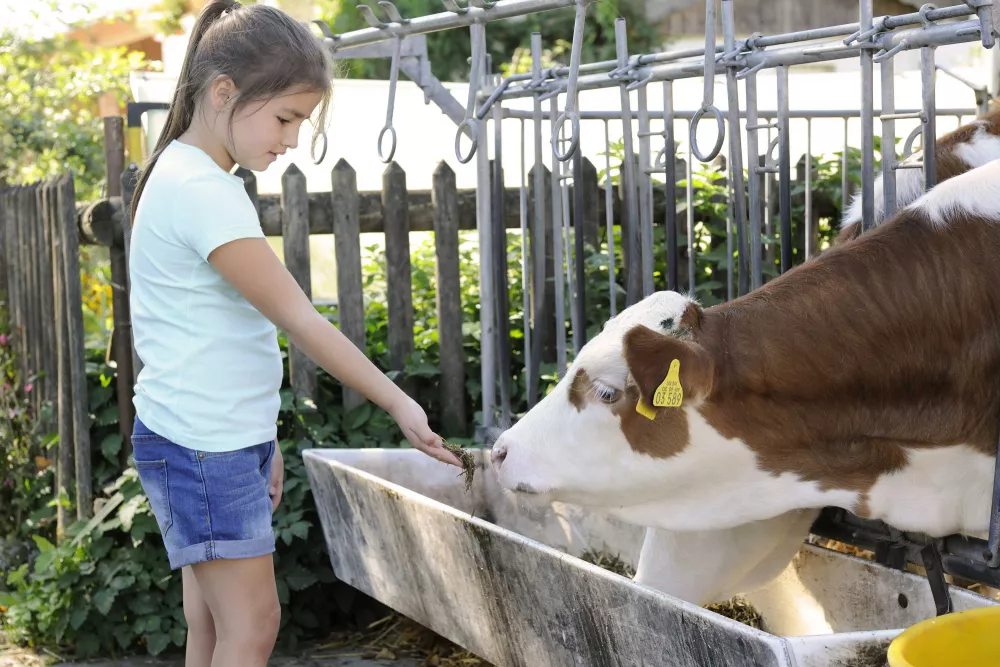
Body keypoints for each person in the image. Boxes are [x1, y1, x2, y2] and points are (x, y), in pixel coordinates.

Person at [125, 1, 463, 665]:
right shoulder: (202, 190)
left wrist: (263, 439)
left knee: (213, 625)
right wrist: (398, 402)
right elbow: (298, 318)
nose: (292, 137)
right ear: (224, 92)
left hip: (207, 436)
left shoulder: (187, 173)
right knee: (252, 625)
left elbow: (220, 334)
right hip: (204, 446)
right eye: (286, 117)